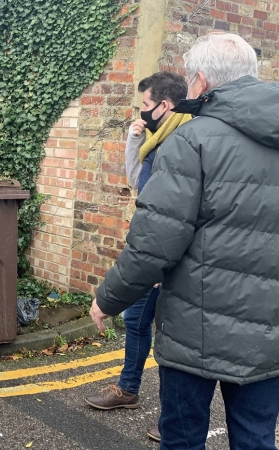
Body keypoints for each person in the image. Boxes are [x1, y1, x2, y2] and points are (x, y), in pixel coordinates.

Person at [90, 32, 279, 450]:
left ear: (200, 82)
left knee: (182, 438)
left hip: (197, 327)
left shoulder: (192, 140)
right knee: (254, 437)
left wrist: (109, 297)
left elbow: (155, 242)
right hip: (277, 326)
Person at [85, 72, 191, 445]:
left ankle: (170, 419)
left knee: (169, 336)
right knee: (137, 320)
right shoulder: (158, 140)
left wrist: (160, 263)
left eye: (146, 105)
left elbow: (176, 212)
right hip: (154, 250)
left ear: (165, 105)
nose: (141, 111)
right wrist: (133, 139)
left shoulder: (183, 143)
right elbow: (138, 183)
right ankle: (130, 391)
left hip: (167, 259)